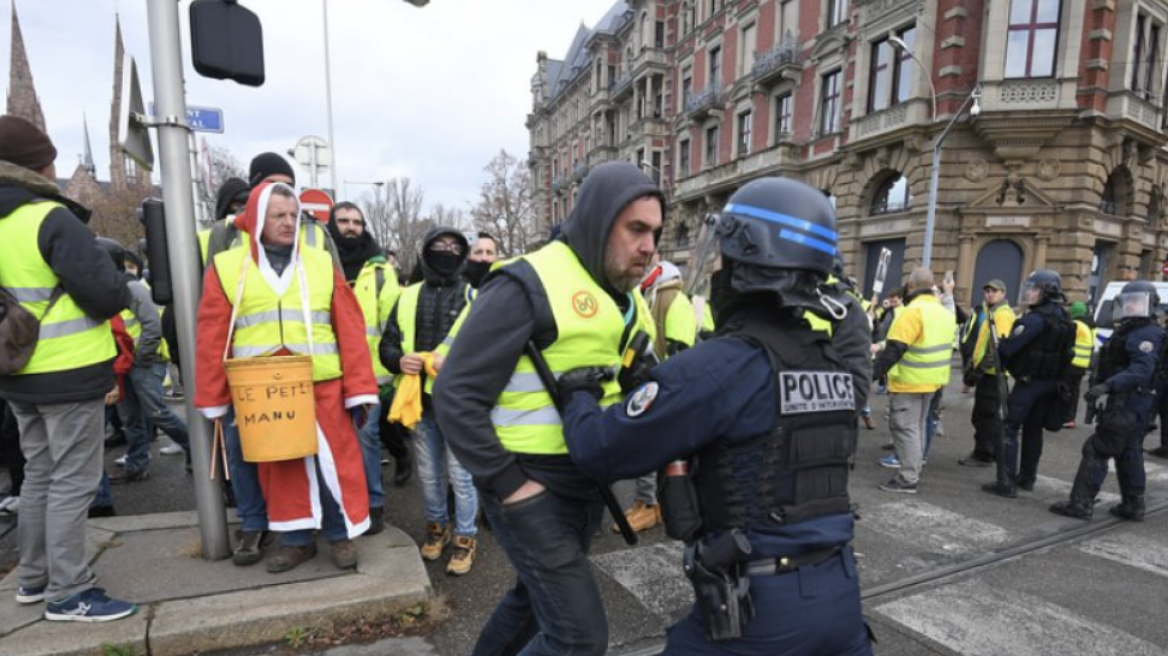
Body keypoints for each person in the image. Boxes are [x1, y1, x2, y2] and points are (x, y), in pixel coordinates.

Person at [558, 177, 872, 655]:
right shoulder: (830, 362)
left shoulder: (724, 365)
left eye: (724, 256)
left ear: (749, 262)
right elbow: (757, 423)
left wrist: (578, 393)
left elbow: (600, 449)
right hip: (839, 595)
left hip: (759, 611)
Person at [433, 161, 662, 654]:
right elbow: (454, 392)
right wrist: (509, 485)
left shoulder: (629, 297)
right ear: (600, 221)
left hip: (585, 483)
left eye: (655, 233)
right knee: (579, 638)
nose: (648, 246)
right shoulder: (525, 283)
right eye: (636, 229)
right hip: (528, 485)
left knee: (532, 602)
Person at [195, 182, 375, 573]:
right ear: (258, 218)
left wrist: (359, 388)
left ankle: (339, 534)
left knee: (334, 464)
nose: (289, 223)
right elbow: (212, 335)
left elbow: (349, 327)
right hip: (262, 389)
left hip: (322, 383)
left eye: (293, 215)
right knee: (282, 468)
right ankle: (295, 542)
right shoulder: (227, 266)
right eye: (278, 215)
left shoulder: (321, 261)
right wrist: (214, 397)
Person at [0, 114, 136, 621]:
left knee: (37, 474)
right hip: (68, 371)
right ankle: (70, 591)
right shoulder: (48, 218)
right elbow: (105, 293)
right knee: (73, 481)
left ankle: (33, 579)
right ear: (40, 164)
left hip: (15, 372)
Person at [380, 226, 479, 575]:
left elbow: (489, 350)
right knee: (429, 475)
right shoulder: (407, 296)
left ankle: (466, 538)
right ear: (426, 251)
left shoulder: (473, 296)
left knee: (461, 475)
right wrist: (397, 360)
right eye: (440, 245)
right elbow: (388, 343)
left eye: (455, 246)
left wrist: (458, 363)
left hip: (459, 403)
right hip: (419, 402)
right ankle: (437, 528)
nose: (447, 251)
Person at [1050, 281, 1161, 520]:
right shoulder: (1132, 330)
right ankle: (1133, 505)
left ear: (1150, 305)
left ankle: (1081, 504)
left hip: (1128, 401)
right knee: (1129, 452)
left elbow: (1141, 369)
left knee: (1097, 448)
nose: (1131, 306)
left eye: (1137, 301)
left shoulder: (1146, 333)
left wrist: (1107, 385)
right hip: (1133, 402)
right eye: (1128, 301)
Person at [327, 201, 404, 533]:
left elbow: (392, 323)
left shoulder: (381, 271)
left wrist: (390, 372)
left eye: (357, 221)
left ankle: (373, 505)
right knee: (331, 444)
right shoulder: (318, 265)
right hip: (326, 370)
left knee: (366, 440)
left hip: (367, 374)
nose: (350, 227)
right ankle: (338, 505)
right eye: (343, 220)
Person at [619, 257, 697, 534]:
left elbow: (680, 351)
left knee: (652, 448)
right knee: (646, 447)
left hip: (663, 388)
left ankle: (651, 506)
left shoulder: (672, 299)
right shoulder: (649, 294)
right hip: (651, 385)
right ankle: (645, 502)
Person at [982, 270, 1075, 498]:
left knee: (1008, 428)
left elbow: (1009, 348)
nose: (1029, 292)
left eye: (1034, 288)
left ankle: (1006, 482)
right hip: (1050, 383)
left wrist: (1004, 345)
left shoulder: (1035, 319)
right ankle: (1027, 478)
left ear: (1046, 292)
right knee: (1034, 430)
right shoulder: (1063, 316)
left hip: (1029, 382)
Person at [107, 239, 191, 483]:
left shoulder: (132, 290)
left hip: (143, 362)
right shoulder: (110, 291)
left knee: (157, 413)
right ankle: (136, 465)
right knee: (131, 418)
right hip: (125, 364)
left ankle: (195, 451)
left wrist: (141, 356)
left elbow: (151, 325)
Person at [872, 268, 957, 494]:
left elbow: (894, 350)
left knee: (905, 428)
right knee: (918, 427)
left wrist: (870, 375)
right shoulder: (945, 313)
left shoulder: (912, 312)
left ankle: (907, 478)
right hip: (933, 382)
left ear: (911, 286)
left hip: (909, 382)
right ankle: (913, 470)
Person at [958, 279, 1016, 466]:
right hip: (988, 373)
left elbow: (997, 347)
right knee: (985, 415)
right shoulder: (990, 312)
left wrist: (978, 371)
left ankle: (983, 455)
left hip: (993, 374)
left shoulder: (1002, 314)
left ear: (1003, 294)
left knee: (986, 417)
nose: (989, 294)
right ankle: (988, 452)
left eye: (994, 291)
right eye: (987, 291)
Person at [1063, 301, 1094, 429]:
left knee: (1065, 391)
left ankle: (1064, 417)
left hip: (1072, 363)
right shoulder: (1089, 326)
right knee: (1074, 392)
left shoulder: (1075, 325)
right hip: (1082, 365)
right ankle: (1070, 418)